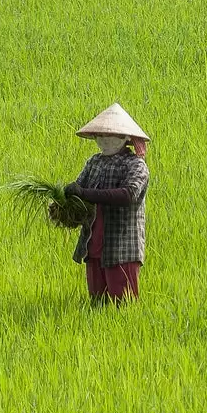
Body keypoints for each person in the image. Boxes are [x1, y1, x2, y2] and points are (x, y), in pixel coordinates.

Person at [64, 103, 151, 303]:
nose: (104, 141)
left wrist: (85, 193)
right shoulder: (94, 162)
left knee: (123, 306)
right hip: (93, 244)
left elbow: (128, 195)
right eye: (100, 136)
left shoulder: (135, 165)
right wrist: (65, 200)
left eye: (110, 135)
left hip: (121, 247)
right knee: (97, 304)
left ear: (125, 138)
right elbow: (78, 193)